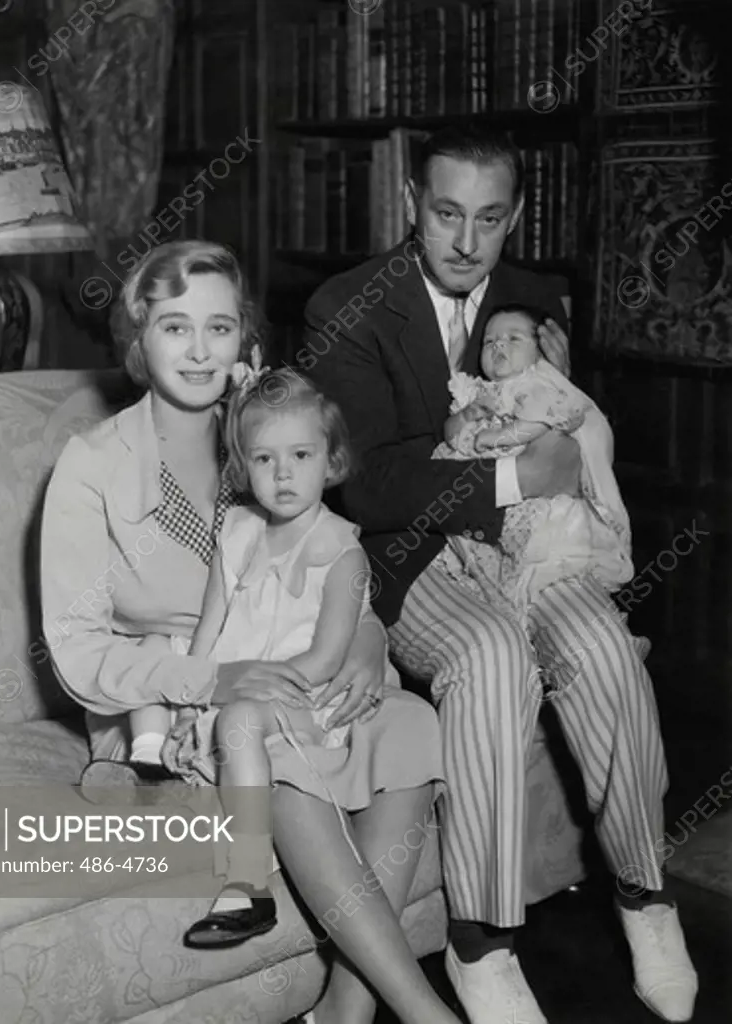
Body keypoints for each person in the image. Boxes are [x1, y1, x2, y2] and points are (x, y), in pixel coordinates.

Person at [305, 127, 697, 1024]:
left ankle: (645, 898)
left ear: (514, 217)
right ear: (411, 204)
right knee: (486, 659)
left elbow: (567, 425)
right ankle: (482, 944)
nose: (465, 242)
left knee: (602, 646)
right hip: (408, 557)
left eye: (488, 219)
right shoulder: (344, 304)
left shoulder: (533, 298)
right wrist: (512, 474)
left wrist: (550, 472)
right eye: (446, 214)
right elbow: (363, 481)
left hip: (524, 545)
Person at [41, 239, 457, 1024]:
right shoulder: (91, 461)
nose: (199, 351)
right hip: (166, 706)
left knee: (406, 728)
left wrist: (368, 640)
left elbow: (317, 566)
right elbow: (77, 651)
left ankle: (346, 1004)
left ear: (244, 337)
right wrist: (216, 682)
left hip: (293, 667)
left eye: (219, 327)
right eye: (174, 328)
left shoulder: (268, 430)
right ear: (138, 338)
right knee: (271, 745)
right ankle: (423, 1011)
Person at [436, 302, 634, 625]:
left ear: (541, 354)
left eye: (513, 339)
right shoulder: (476, 390)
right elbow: (449, 433)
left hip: (536, 494)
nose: (499, 345)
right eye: (489, 341)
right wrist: (466, 416)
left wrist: (495, 437)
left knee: (543, 553)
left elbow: (537, 425)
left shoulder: (538, 386)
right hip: (487, 497)